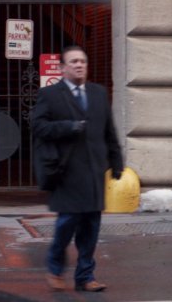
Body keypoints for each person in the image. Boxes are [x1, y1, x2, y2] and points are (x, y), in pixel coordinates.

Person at [31, 45, 123, 293]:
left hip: (94, 173)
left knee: (91, 229)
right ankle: (55, 269)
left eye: (82, 61)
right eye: (73, 62)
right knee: (66, 225)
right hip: (66, 172)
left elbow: (109, 131)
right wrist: (68, 127)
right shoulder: (50, 94)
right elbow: (38, 127)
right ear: (62, 68)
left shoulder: (98, 93)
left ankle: (85, 276)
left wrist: (116, 162)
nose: (79, 65)